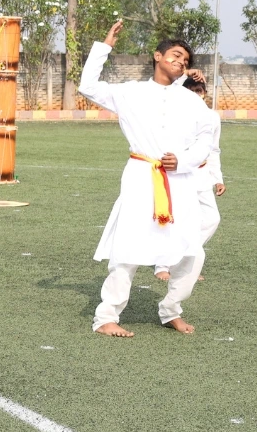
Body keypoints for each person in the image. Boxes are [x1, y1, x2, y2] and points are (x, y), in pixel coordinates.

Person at [80, 21, 216, 337]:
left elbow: (205, 140)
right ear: (157, 56)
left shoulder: (192, 101)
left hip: (179, 180)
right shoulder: (131, 92)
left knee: (192, 251)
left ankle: (171, 310)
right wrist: (104, 47)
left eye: (186, 60)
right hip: (141, 177)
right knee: (128, 247)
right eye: (176, 55)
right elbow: (88, 86)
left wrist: (183, 161)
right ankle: (106, 317)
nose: (181, 62)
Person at [156, 77, 223, 282]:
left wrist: (217, 179)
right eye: (192, 91)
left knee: (212, 219)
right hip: (179, 174)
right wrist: (185, 74)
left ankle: (185, 259)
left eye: (200, 91)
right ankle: (162, 264)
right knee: (175, 219)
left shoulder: (212, 117)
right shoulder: (175, 115)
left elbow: (214, 149)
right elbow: (167, 90)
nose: (197, 95)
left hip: (202, 175)